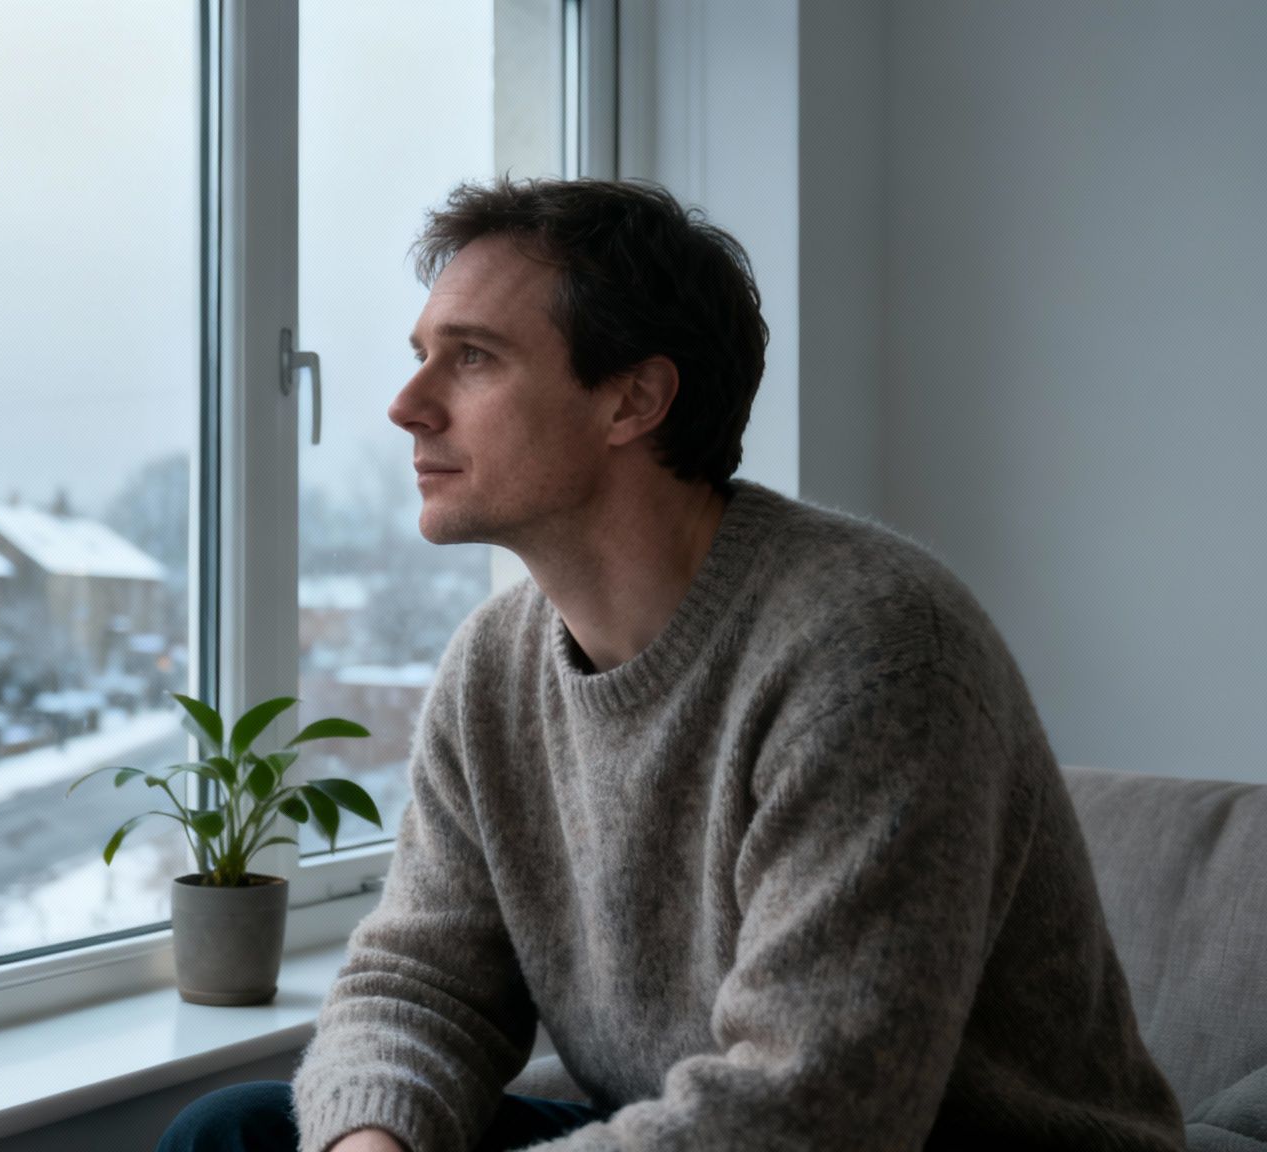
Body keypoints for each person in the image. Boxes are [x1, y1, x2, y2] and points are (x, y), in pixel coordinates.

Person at [157, 178, 1184, 1152]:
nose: (405, 404)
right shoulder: (492, 668)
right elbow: (419, 981)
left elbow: (812, 1113)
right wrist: (366, 1136)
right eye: (422, 353)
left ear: (632, 400)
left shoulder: (874, 651)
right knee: (240, 1132)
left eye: (469, 358)